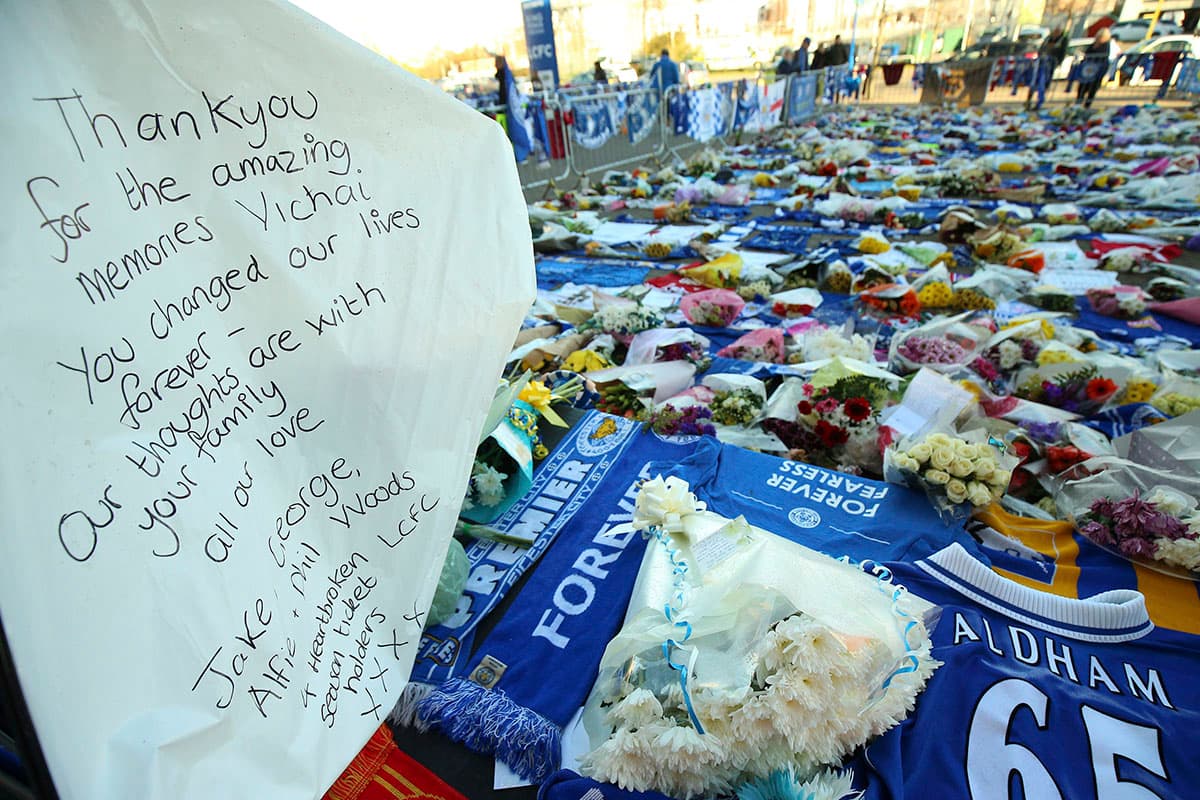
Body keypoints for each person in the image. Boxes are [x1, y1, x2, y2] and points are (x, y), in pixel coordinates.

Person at [1027, 27, 1068, 109]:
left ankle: (1039, 103)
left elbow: (1063, 52)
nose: (1055, 32)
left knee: (1044, 84)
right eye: (1055, 31)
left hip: (1050, 65)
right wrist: (1039, 57)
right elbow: (1041, 49)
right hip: (1041, 63)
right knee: (1034, 81)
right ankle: (1028, 102)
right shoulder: (1048, 38)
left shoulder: (1063, 41)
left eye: (1057, 31)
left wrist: (1058, 62)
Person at [1076, 27, 1112, 108]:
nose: (1099, 38)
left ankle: (1087, 105)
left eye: (1101, 37)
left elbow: (1103, 56)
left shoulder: (1106, 46)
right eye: (1098, 37)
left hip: (1097, 71)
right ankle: (1078, 103)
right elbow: (1087, 53)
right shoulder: (1093, 44)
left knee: (1092, 88)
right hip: (1087, 69)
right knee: (1082, 87)